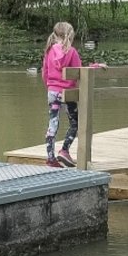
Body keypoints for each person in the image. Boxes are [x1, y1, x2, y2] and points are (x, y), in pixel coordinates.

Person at [42, 21, 82, 167]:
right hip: (67, 93)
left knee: (52, 124)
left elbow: (44, 73)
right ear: (70, 35)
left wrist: (49, 86)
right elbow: (80, 72)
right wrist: (96, 66)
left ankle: (51, 159)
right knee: (75, 122)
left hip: (52, 92)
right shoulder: (71, 51)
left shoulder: (49, 50)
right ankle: (64, 150)